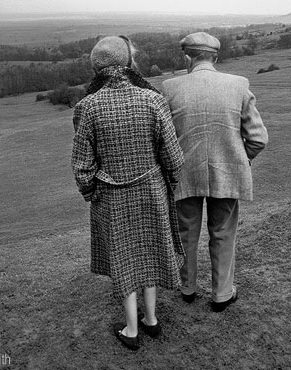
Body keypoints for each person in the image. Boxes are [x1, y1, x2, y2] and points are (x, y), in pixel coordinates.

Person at [71, 36, 185, 350]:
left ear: (96, 67)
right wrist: (169, 185)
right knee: (147, 253)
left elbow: (82, 165)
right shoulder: (153, 99)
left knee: (124, 259)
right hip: (151, 191)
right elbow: (173, 158)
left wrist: (92, 192)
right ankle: (150, 320)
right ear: (127, 62)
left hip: (111, 197)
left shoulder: (88, 107)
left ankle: (132, 329)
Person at [161, 32, 268, 312]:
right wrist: (240, 159)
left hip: (184, 175)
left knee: (186, 233)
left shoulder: (169, 87)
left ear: (188, 57)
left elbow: (161, 140)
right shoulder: (239, 85)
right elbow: (258, 138)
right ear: (216, 57)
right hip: (228, 173)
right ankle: (221, 294)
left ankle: (187, 288)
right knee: (223, 232)